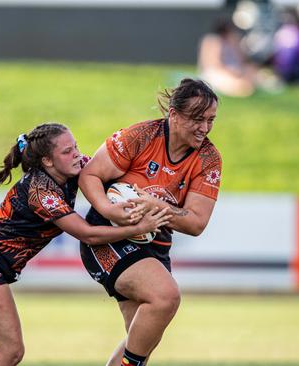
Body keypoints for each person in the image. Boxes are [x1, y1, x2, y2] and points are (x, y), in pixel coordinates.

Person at [0, 122, 172, 366]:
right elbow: (88, 234)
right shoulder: (41, 191)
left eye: (75, 146)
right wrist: (139, 227)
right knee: (10, 352)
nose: (77, 154)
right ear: (48, 161)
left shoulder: (73, 168)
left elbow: (108, 169)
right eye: (67, 151)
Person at [79, 78, 222, 366]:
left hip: (153, 246)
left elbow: (195, 223)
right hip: (109, 237)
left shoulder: (208, 159)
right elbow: (90, 175)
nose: (204, 128)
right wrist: (110, 209)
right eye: (197, 119)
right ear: (174, 115)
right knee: (165, 297)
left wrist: (157, 205)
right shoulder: (141, 136)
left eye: (210, 120)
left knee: (142, 339)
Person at [198, 18, 257, 97]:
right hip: (217, 72)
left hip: (235, 70)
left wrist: (236, 45)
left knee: (250, 70)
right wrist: (232, 72)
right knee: (240, 86)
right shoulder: (213, 41)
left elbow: (243, 60)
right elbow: (214, 64)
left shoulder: (233, 41)